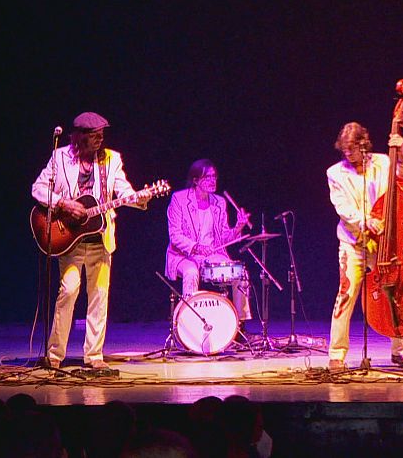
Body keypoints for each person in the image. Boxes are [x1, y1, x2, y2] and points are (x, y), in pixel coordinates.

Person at [31, 112, 151, 370]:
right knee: (69, 291)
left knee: (99, 296)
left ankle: (94, 357)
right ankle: (54, 354)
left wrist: (139, 198)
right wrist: (64, 203)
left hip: (100, 238)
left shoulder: (111, 159)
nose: (99, 140)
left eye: (101, 135)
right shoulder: (60, 157)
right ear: (79, 138)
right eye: (94, 136)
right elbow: (38, 188)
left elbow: (124, 190)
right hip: (70, 239)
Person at [326, 121, 403, 372]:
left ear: (364, 145)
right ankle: (336, 355)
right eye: (344, 150)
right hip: (353, 242)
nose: (348, 154)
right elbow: (344, 209)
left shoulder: (384, 162)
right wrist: (366, 222)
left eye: (352, 149)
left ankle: (399, 351)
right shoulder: (335, 173)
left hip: (384, 244)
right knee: (346, 293)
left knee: (392, 294)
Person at [164, 159, 253, 336]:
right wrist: (196, 247)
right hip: (183, 255)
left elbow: (223, 238)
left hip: (211, 254)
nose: (213, 181)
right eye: (207, 177)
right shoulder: (179, 199)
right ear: (196, 180)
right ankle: (189, 326)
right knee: (191, 273)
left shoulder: (219, 202)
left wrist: (238, 227)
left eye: (214, 177)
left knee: (240, 273)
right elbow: (175, 236)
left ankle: (240, 326)